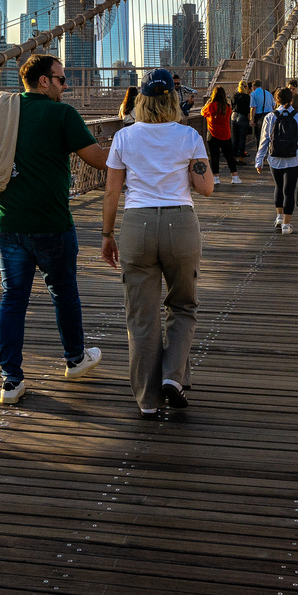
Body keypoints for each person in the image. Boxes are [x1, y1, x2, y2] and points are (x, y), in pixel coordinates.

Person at [0, 53, 110, 405]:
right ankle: (75, 360)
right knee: (64, 292)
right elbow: (100, 161)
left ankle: (10, 381)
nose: (65, 85)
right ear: (44, 81)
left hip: (6, 223)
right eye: (61, 79)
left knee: (13, 300)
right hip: (52, 223)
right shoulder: (62, 114)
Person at [100, 68, 213, 418]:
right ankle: (173, 376)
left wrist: (107, 234)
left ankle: (148, 400)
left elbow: (112, 191)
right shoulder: (189, 136)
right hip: (180, 223)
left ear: (141, 101)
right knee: (182, 306)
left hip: (138, 225)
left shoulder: (124, 137)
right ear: (174, 100)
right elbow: (206, 187)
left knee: (142, 315)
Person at [253, 85, 298, 234]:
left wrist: (259, 160)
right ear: (291, 100)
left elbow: (264, 140)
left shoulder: (270, 116)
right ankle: (286, 225)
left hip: (274, 158)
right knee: (289, 190)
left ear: (276, 100)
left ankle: (279, 217)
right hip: (294, 159)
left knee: (278, 187)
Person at [200, 85, 240, 183]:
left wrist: (207, 103)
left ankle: (216, 177)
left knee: (214, 156)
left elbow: (202, 112)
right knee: (229, 156)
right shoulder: (228, 107)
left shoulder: (211, 107)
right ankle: (234, 177)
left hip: (212, 134)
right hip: (225, 134)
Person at [230, 80, 252, 164]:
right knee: (242, 138)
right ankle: (241, 158)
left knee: (235, 138)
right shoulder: (247, 97)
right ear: (245, 87)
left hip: (234, 116)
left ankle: (234, 157)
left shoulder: (234, 96)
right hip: (243, 117)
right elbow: (248, 109)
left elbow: (232, 106)